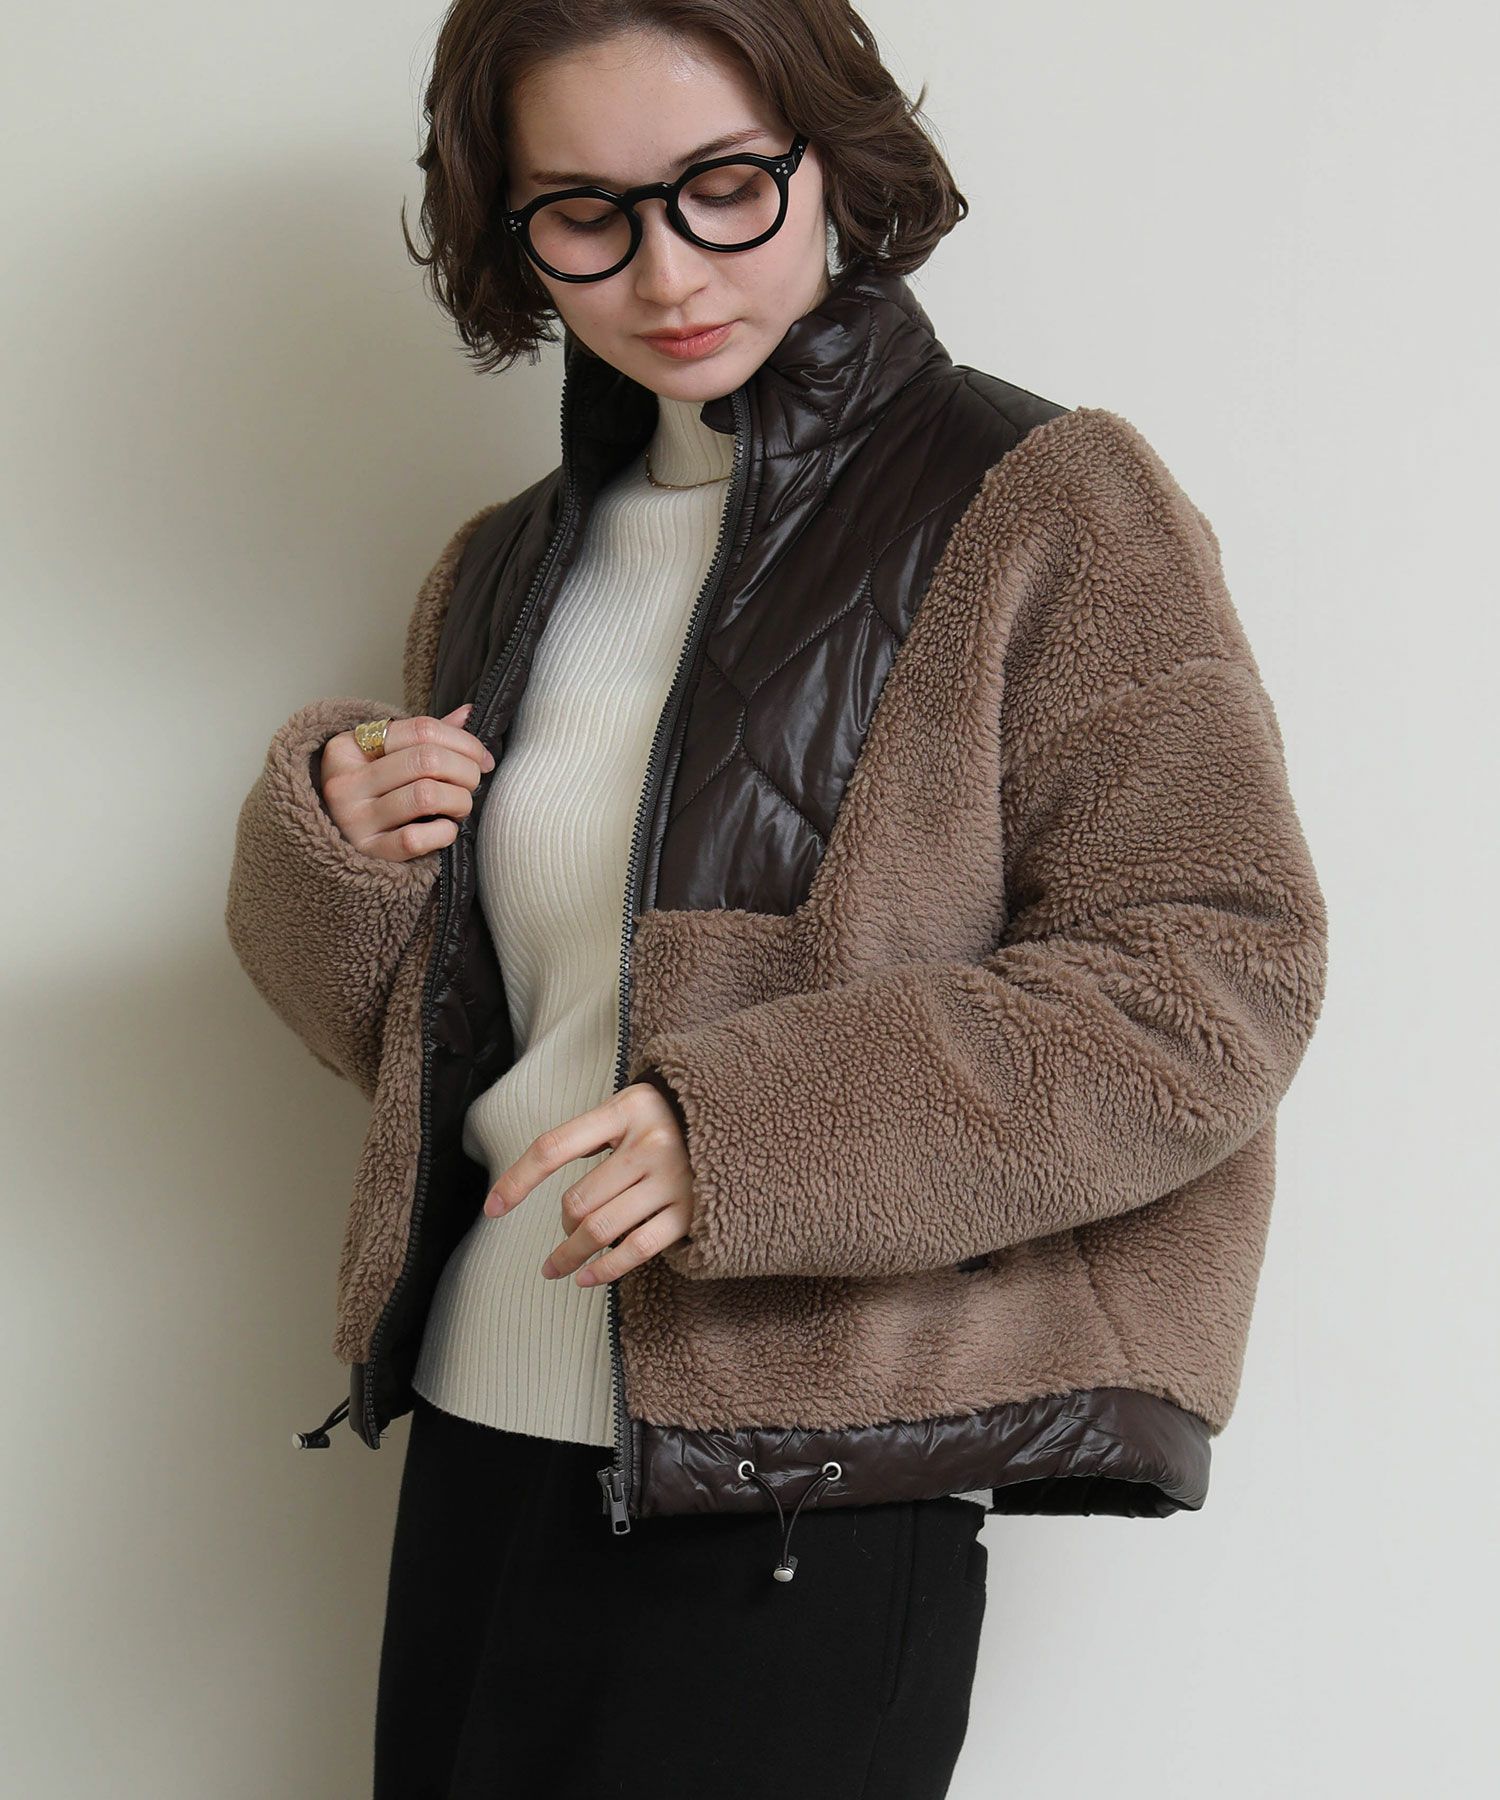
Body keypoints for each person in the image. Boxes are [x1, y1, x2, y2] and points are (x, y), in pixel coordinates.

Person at [223, 3, 1329, 1795]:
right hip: (481, 1443)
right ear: (512, 226)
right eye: (585, 212)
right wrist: (341, 856)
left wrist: (743, 1131)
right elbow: (431, 1054)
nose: (667, 271)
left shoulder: (1042, 502)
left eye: (724, 185)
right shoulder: (501, 569)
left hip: (803, 1495)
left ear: (833, 158)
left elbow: (1212, 977)